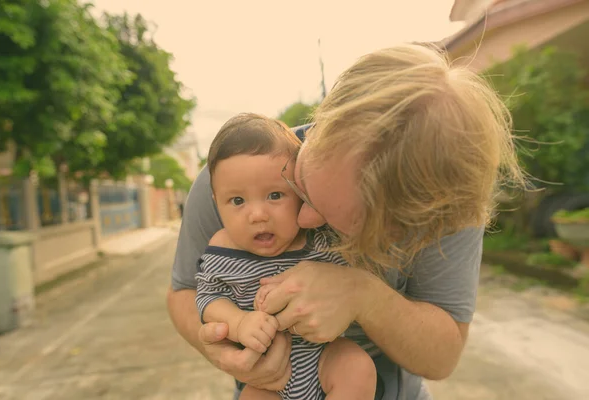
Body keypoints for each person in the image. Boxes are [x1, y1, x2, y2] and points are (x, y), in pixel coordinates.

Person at [167, 43, 525, 400]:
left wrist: (363, 296)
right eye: (300, 185)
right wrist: (221, 348)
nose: (306, 220)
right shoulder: (235, 182)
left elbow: (442, 358)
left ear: (414, 223)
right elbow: (185, 291)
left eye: (346, 224)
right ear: (323, 118)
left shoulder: (447, 203)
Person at [195, 113, 377, 400]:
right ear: (217, 203)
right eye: (238, 201)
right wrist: (239, 322)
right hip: (266, 375)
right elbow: (207, 298)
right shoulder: (222, 249)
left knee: (357, 367)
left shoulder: (319, 239)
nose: (258, 215)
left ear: (301, 192)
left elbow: (349, 283)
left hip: (323, 357)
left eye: (275, 195)